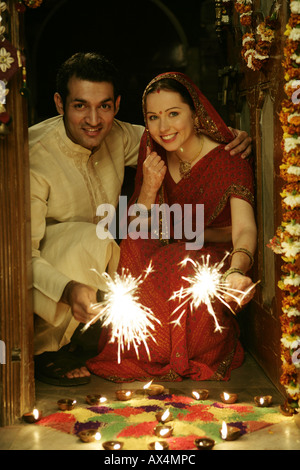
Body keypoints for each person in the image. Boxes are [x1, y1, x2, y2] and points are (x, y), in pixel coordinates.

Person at [30, 52, 252, 386]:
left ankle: (123, 339)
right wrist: (67, 289)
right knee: (107, 239)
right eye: (80, 106)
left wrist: (233, 133)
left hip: (118, 249)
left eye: (104, 106)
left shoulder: (125, 135)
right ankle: (46, 347)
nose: (93, 119)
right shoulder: (32, 156)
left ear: (117, 106)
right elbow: (19, 253)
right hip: (48, 258)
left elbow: (174, 134)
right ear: (60, 104)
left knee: (131, 248)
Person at [86, 72, 257, 382]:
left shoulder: (230, 157)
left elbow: (244, 229)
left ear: (195, 112)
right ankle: (136, 348)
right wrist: (149, 188)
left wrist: (238, 269)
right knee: (134, 248)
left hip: (212, 259)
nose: (163, 127)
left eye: (173, 114)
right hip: (167, 250)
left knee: (179, 259)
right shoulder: (151, 149)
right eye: (153, 117)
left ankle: (179, 350)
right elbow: (137, 230)